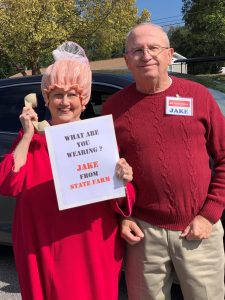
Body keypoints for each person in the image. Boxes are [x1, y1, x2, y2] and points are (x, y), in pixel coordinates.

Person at [0, 41, 135, 300]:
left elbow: (122, 200)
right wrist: (27, 136)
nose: (64, 102)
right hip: (41, 243)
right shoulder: (31, 141)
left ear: (83, 100)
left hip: (91, 242)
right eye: (57, 94)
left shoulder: (99, 139)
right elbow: (7, 183)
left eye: (72, 94)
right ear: (46, 100)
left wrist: (124, 180)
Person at [102, 23, 225, 300]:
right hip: (142, 234)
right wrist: (123, 216)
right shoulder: (113, 109)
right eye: (137, 50)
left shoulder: (199, 97)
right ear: (126, 60)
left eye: (153, 48)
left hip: (198, 229)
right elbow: (107, 172)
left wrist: (209, 213)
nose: (146, 55)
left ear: (169, 55)